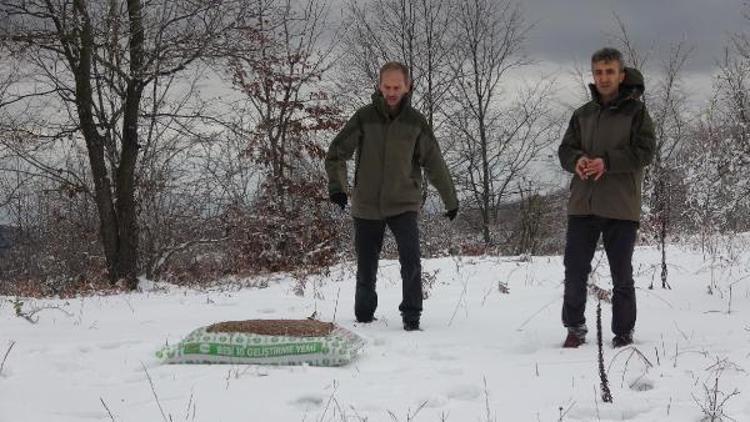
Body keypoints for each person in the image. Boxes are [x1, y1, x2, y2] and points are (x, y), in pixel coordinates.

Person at [325, 61, 458, 331]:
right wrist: (337, 188)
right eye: (387, 86)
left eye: (397, 86)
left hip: (403, 202)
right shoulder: (364, 117)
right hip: (367, 204)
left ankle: (412, 317)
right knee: (366, 265)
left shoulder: (416, 122)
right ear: (379, 86)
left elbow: (434, 162)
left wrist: (450, 199)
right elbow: (337, 152)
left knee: (411, 260)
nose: (392, 91)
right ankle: (364, 317)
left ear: (407, 86)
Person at [557, 48, 655, 348]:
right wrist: (576, 160)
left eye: (610, 71)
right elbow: (565, 150)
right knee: (574, 268)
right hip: (582, 204)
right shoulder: (582, 114)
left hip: (621, 206)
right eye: (599, 72)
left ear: (621, 75)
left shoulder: (637, 113)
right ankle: (575, 328)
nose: (604, 77)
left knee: (621, 273)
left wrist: (607, 162)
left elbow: (645, 151)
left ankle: (623, 333)